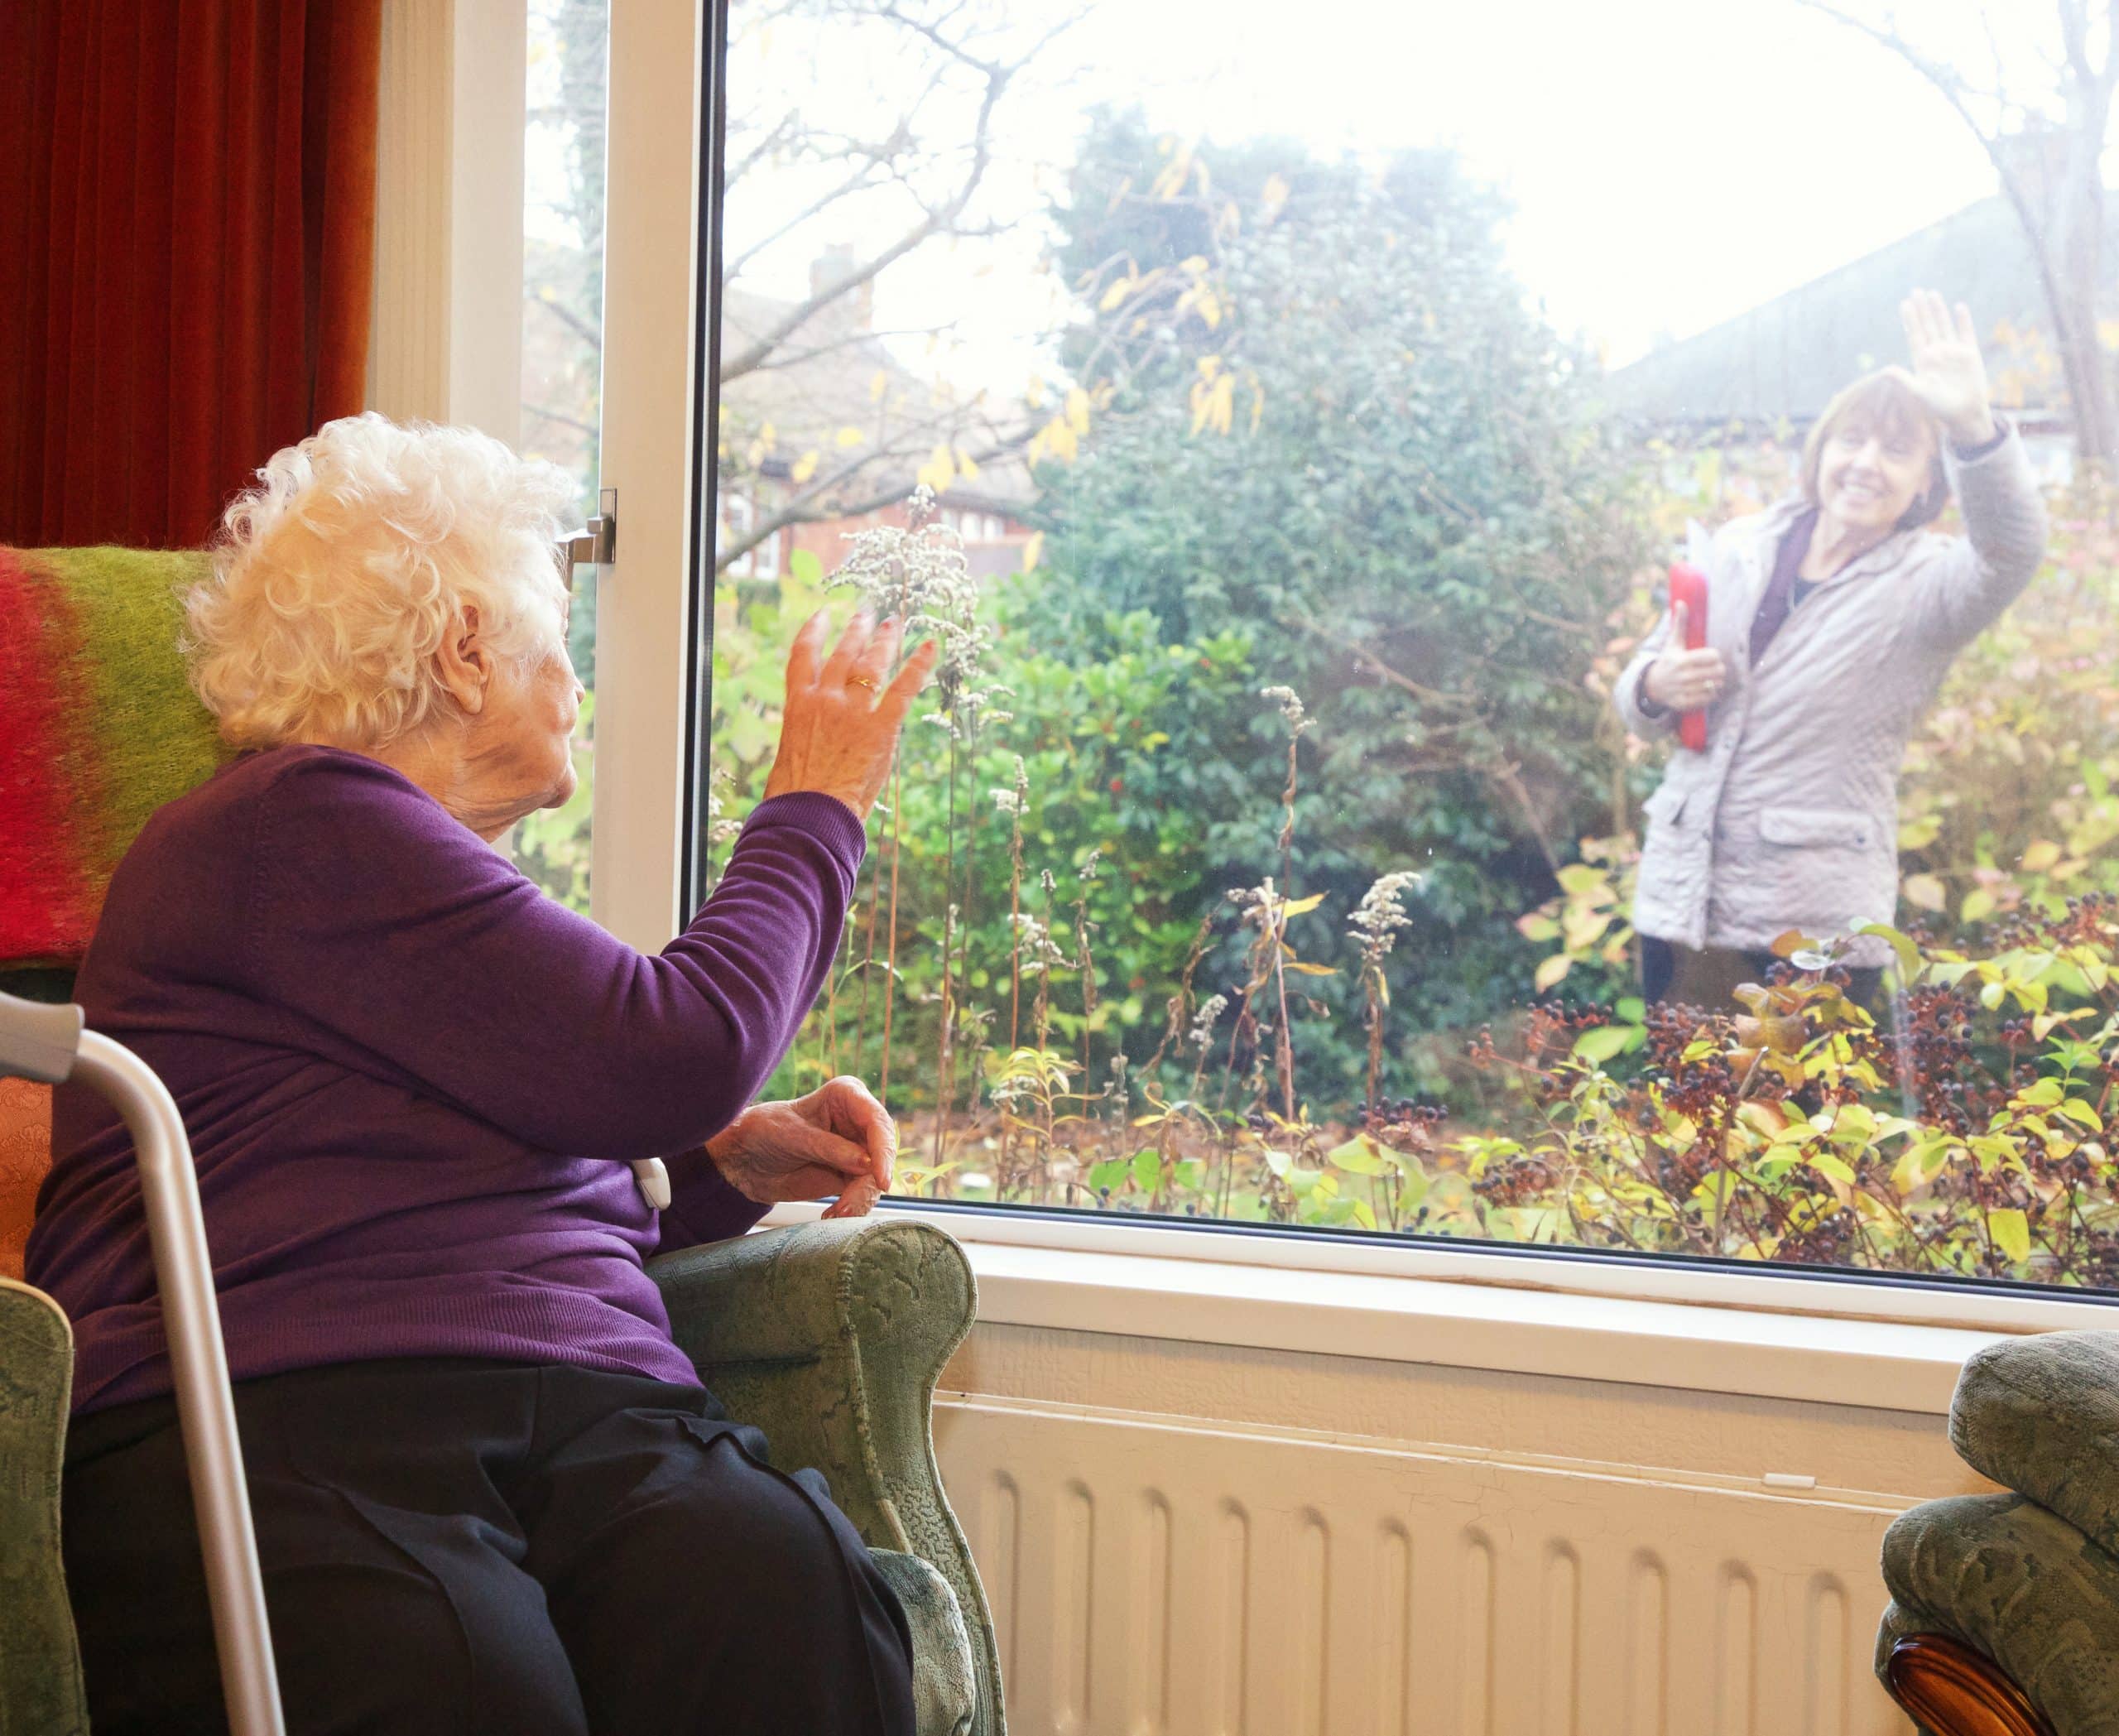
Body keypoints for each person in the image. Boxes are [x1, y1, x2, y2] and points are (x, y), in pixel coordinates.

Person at [24, 413, 938, 1735]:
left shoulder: (416, 888)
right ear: (465, 648)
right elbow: (675, 1048)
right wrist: (816, 801)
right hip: (289, 1411)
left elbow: (488, 1176)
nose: (576, 686)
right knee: (457, 1675)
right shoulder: (288, 823)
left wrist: (718, 1170)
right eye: (557, 638)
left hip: (581, 1405)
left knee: (782, 1586)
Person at [1612, 290, 2049, 1009]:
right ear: (1820, 452)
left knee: (1801, 1123)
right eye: (1851, 440)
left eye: (1897, 449)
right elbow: (1641, 695)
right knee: (1679, 1116)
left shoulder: (1929, 585)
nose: (1866, 463)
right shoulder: (1738, 546)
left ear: (1925, 484)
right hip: (1681, 904)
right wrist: (1655, 684)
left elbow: (2013, 550)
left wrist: (1973, 425)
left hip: (1812, 929)